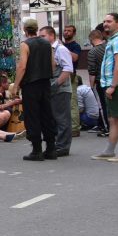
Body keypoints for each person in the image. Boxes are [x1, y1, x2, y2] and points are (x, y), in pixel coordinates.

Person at [13, 18, 57, 161]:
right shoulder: (47, 44)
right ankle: (51, 149)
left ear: (25, 30)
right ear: (37, 29)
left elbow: (22, 66)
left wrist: (16, 85)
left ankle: (36, 150)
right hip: (45, 83)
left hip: (31, 85)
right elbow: (53, 64)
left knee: (32, 117)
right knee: (46, 115)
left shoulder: (25, 45)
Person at [92, 13, 118, 162]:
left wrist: (113, 85)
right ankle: (109, 151)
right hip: (111, 84)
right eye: (104, 21)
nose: (105, 24)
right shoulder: (113, 39)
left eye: (109, 21)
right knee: (113, 119)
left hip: (117, 85)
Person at [42, 26, 74, 156]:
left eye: (43, 36)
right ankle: (56, 144)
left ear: (51, 36)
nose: (41, 39)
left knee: (62, 118)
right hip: (52, 88)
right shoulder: (49, 50)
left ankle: (63, 147)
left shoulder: (60, 49)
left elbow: (68, 69)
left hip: (61, 89)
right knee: (54, 118)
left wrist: (56, 84)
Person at [86, 29, 110, 135]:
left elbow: (92, 71)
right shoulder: (109, 47)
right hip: (113, 80)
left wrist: (92, 86)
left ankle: (106, 128)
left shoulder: (92, 52)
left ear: (91, 39)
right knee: (111, 105)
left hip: (100, 81)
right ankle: (115, 127)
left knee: (102, 105)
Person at [62, 25, 82, 137]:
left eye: (69, 31)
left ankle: (75, 128)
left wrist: (63, 49)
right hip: (61, 74)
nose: (66, 32)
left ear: (73, 33)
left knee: (72, 102)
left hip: (71, 75)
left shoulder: (75, 46)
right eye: (65, 30)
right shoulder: (63, 45)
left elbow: (75, 58)